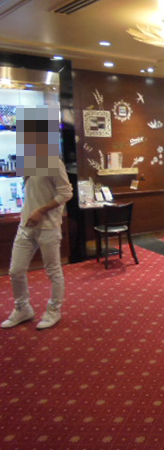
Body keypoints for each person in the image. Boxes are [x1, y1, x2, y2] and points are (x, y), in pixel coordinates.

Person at [1, 105, 73, 330]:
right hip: (26, 225)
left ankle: (54, 310)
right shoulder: (28, 160)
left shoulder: (53, 162)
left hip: (48, 226)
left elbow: (66, 193)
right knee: (16, 270)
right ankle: (22, 308)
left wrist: (41, 210)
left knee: (53, 271)